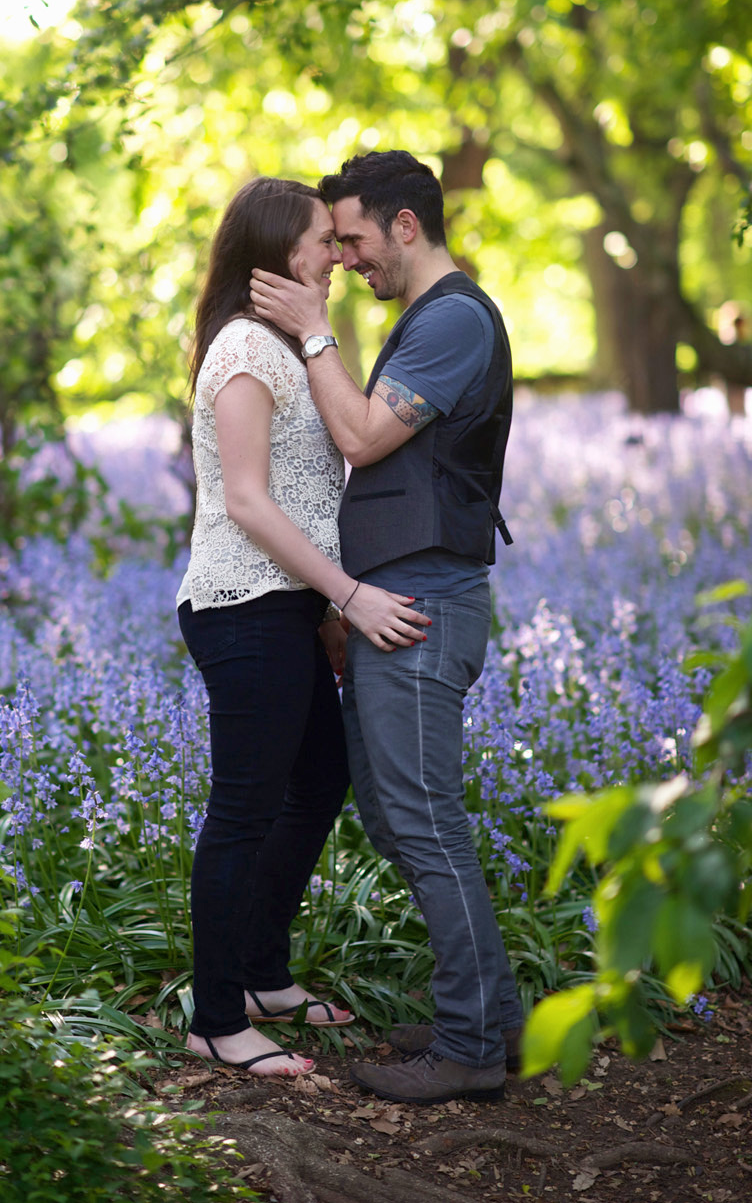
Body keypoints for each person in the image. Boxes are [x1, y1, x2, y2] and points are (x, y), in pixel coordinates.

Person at [250, 149, 522, 1104]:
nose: (349, 259)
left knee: (422, 818)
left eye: (356, 239)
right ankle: (489, 1014)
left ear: (406, 226)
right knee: (403, 815)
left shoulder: (451, 320)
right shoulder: (426, 320)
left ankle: (470, 1045)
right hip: (390, 605)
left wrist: (316, 336)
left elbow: (363, 438)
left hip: (420, 608)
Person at [178, 175, 431, 1078]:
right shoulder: (245, 349)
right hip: (243, 605)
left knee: (317, 778)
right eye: (325, 239)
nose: (338, 253)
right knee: (243, 809)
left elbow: (315, 488)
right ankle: (216, 1017)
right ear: (279, 250)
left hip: (286, 605)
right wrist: (351, 596)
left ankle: (261, 975)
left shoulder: (289, 344)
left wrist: (323, 602)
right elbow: (246, 500)